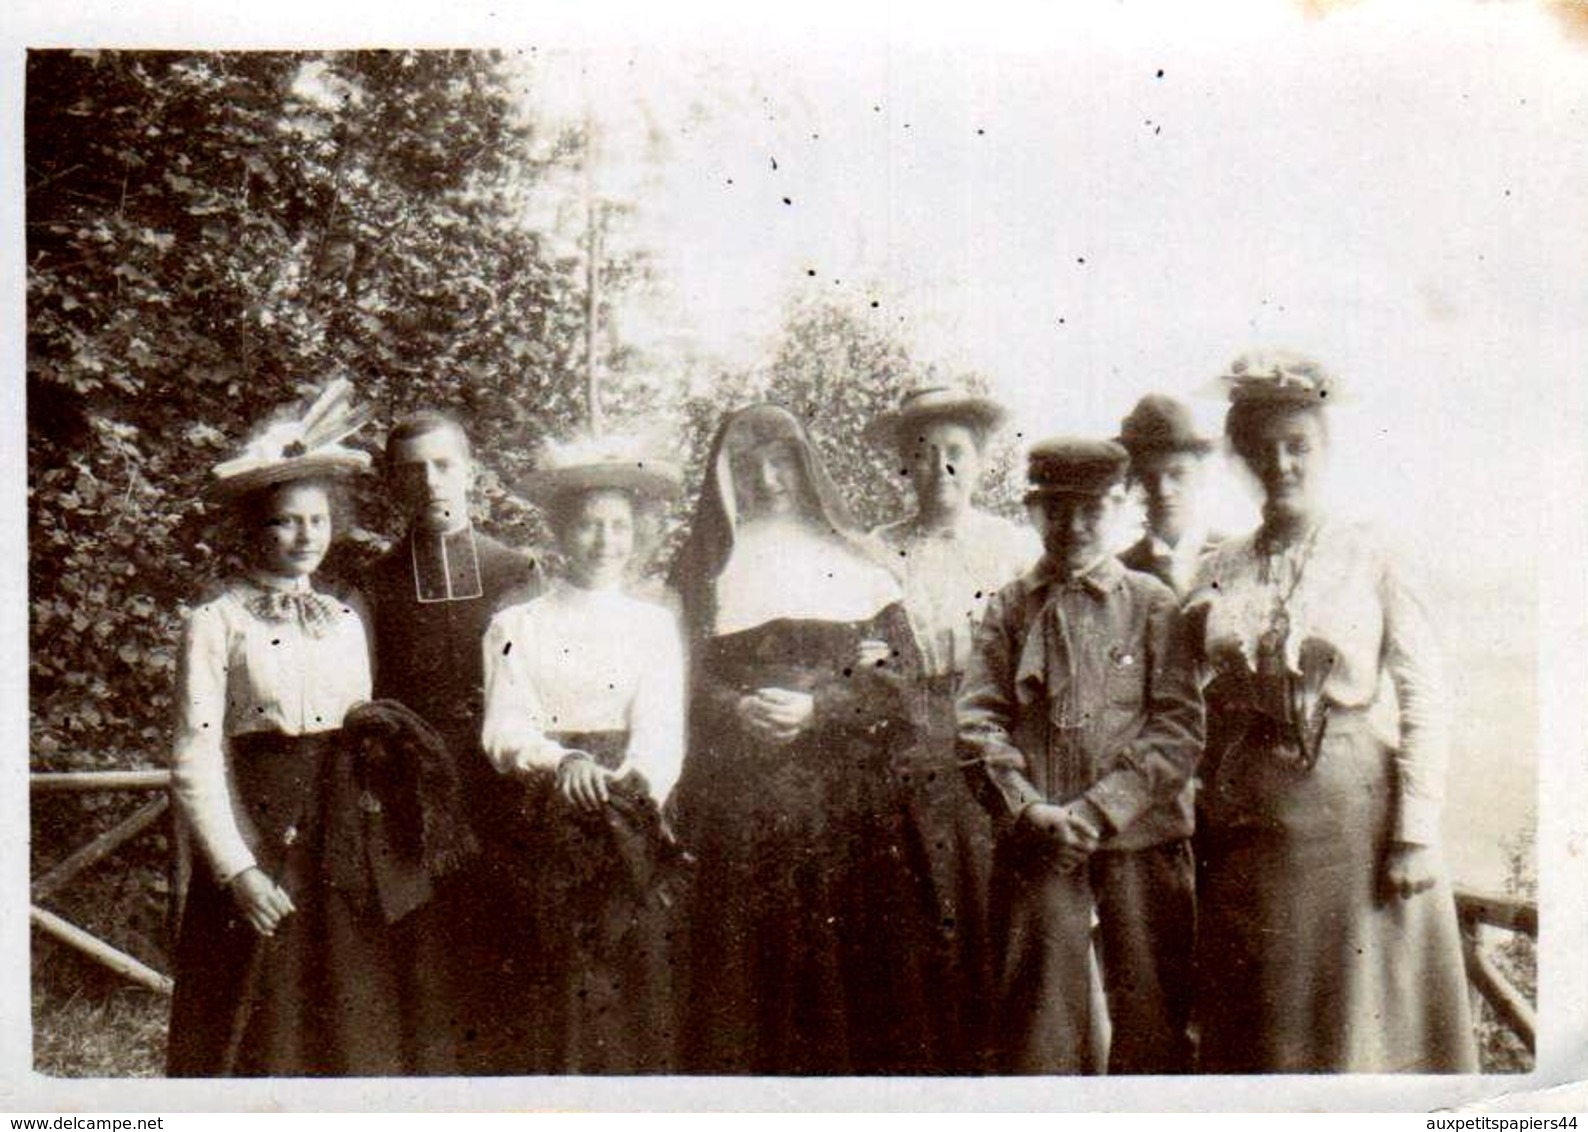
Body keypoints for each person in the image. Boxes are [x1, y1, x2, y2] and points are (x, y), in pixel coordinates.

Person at [167, 381, 476, 1076]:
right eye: (284, 521)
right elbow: (194, 758)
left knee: (349, 1017)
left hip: (343, 841)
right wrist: (237, 870)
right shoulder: (217, 622)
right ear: (252, 529)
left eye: (317, 519)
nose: (305, 536)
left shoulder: (344, 617)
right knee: (256, 1019)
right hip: (260, 831)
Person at [1185, 350, 1477, 1073]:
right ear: (1243, 456)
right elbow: (1182, 695)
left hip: (1351, 831)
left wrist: (1414, 834)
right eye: (1263, 448)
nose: (1281, 462)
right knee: (1261, 1029)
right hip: (1244, 832)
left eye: (1298, 446)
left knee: (1350, 1029)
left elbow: (1424, 693)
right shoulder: (1220, 566)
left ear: (1325, 451)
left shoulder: (1372, 552)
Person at [669, 404, 931, 1074]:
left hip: (849, 809)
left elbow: (902, 684)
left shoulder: (857, 558)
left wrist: (820, 707)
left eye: (781, 458)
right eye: (748, 463)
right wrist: (735, 711)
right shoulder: (702, 569)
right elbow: (674, 677)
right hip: (742, 812)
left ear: (804, 463)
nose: (767, 476)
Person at [957, 438, 1204, 1075]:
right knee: (1037, 1031)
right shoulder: (1010, 609)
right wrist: (1030, 811)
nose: (1073, 526)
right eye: (1055, 510)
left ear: (1119, 508)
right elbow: (976, 725)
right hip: (1039, 847)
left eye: (1091, 510)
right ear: (1032, 512)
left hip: (1140, 846)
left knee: (1151, 1025)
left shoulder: (1153, 605)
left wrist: (1096, 814)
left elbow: (1178, 728)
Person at [480, 435, 688, 1074]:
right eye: (589, 525)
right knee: (556, 981)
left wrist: (628, 790)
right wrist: (558, 762)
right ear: (561, 532)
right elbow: (503, 727)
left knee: (634, 979)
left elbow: (661, 731)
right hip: (545, 820)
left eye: (619, 526)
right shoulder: (517, 624)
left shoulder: (652, 625)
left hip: (630, 821)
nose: (605, 541)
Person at [865, 385, 1040, 1072]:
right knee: (918, 910)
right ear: (904, 465)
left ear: (979, 461)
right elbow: (866, 654)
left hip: (990, 731)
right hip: (907, 735)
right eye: (925, 452)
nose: (941, 466)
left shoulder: (1013, 547)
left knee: (990, 899)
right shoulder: (877, 551)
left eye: (956, 452)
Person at [361, 410, 542, 1073]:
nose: (430, 483)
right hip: (416, 803)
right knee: (428, 976)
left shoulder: (515, 569)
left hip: (505, 797)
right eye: (411, 472)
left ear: (470, 472)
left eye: (443, 466)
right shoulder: (375, 583)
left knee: (509, 966)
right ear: (392, 486)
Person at [1116, 394, 1223, 598]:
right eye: (1150, 477)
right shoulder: (1121, 572)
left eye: (1177, 474)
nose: (1163, 490)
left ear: (1201, 473)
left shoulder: (1234, 555)